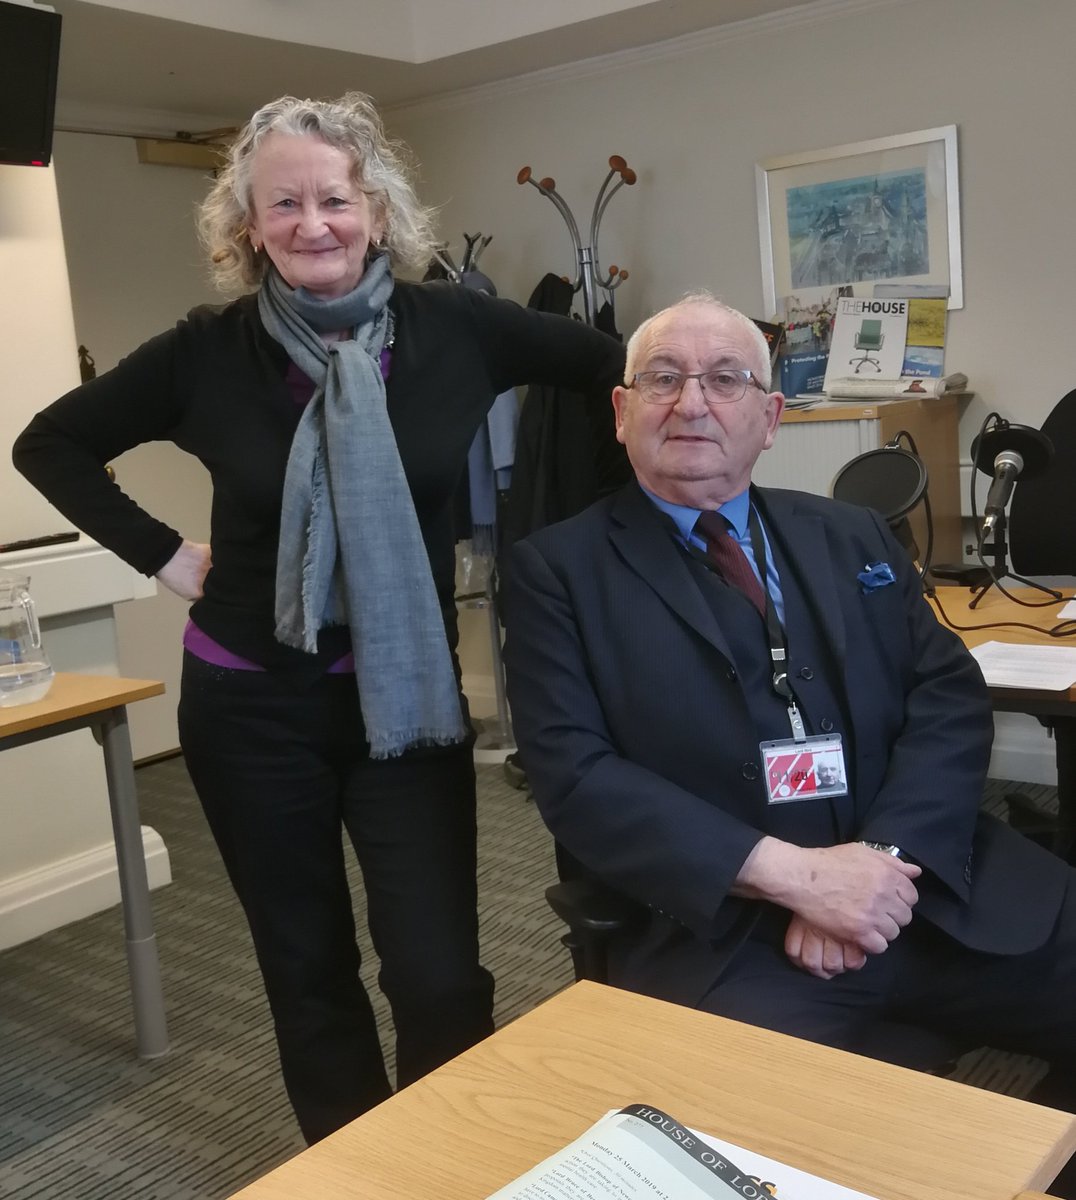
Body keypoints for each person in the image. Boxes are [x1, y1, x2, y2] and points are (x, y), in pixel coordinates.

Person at [12, 92, 625, 1143]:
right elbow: (49, 444)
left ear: (377, 212)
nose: (312, 224)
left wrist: (647, 492)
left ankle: (448, 1163)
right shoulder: (206, 352)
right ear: (248, 227)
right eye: (282, 204)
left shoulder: (456, 329)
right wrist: (165, 555)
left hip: (408, 706)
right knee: (308, 974)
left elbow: (619, 369)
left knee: (438, 975)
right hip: (251, 711)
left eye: (334, 199)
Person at [502, 293, 1076, 1181]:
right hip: (736, 935)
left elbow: (947, 694)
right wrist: (802, 880)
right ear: (622, 411)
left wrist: (880, 861)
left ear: (769, 418)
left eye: (725, 379)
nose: (692, 402)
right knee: (732, 1158)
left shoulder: (852, 534)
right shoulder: (557, 573)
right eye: (662, 378)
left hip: (925, 889)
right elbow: (576, 775)